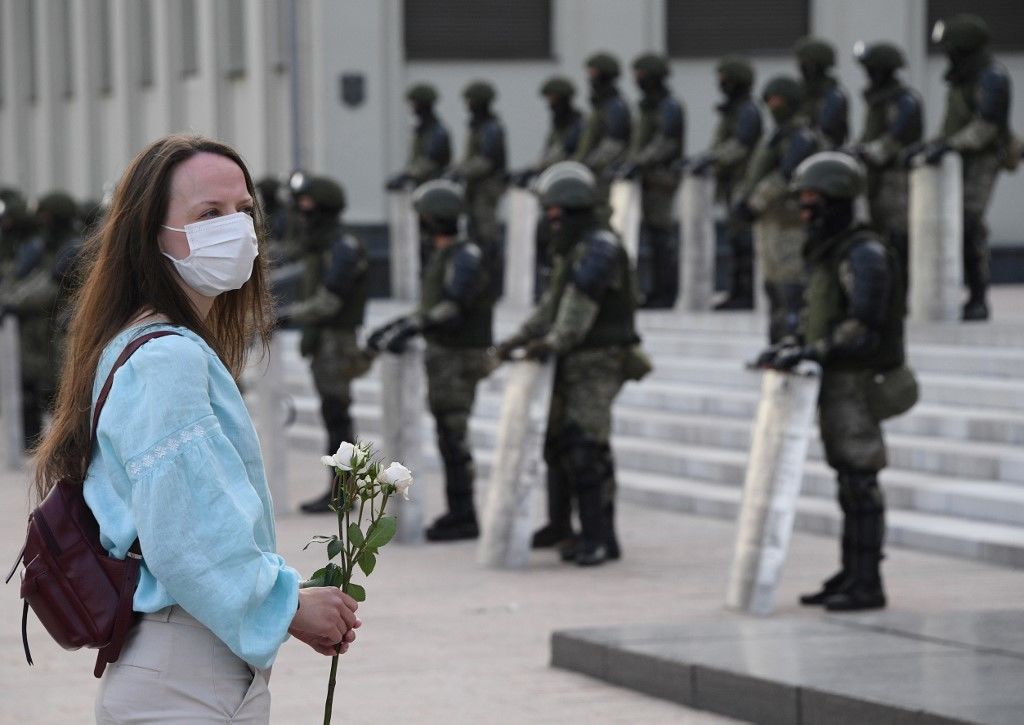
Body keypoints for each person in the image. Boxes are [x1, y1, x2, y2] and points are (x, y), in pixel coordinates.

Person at [30, 135, 360, 722]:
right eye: (209, 214)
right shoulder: (166, 358)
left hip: (188, 667)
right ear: (150, 237)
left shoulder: (147, 342)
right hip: (185, 675)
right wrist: (288, 605)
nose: (234, 228)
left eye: (243, 212)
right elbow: (189, 534)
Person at [757, 152, 909, 612]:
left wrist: (816, 350)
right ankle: (851, 571)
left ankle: (868, 581)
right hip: (836, 380)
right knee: (847, 479)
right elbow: (822, 315)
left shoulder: (864, 253)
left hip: (857, 383)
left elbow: (862, 324)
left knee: (860, 478)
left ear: (836, 201)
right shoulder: (832, 249)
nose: (804, 209)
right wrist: (794, 345)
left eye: (811, 199)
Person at [494, 161, 641, 566]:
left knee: (586, 447)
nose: (551, 219)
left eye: (556, 211)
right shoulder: (573, 247)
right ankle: (562, 526)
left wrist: (551, 342)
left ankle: (599, 536)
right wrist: (520, 337)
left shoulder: (599, 248)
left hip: (598, 361)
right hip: (570, 361)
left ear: (573, 208)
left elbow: (577, 310)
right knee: (556, 444)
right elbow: (551, 306)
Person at [366, 180, 493, 542]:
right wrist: (399, 324)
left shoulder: (465, 256)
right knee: (447, 436)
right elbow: (431, 308)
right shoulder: (446, 255)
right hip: (444, 357)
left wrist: (412, 326)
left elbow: (452, 307)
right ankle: (459, 512)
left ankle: (464, 514)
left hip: (459, 357)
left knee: (454, 438)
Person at [280, 175, 372, 514]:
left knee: (338, 417)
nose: (302, 214)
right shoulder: (322, 245)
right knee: (333, 416)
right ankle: (341, 489)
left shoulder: (343, 247)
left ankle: (343, 491)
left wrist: (287, 316)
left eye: (307, 206)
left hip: (338, 342)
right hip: (325, 343)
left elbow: (330, 301)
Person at [915, 13, 1015, 321]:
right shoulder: (962, 77)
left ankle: (979, 296)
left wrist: (948, 146)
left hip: (983, 159)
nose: (947, 54)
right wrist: (931, 145)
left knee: (970, 224)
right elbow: (952, 125)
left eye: (951, 48)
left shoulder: (991, 77)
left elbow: (986, 127)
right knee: (955, 225)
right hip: (960, 158)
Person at [733, 76, 818, 343]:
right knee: (772, 287)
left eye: (777, 100)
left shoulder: (801, 137)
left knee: (790, 287)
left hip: (789, 223)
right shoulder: (775, 136)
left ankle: (793, 343)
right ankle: (776, 343)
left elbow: (785, 175)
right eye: (768, 100)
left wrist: (753, 202)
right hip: (769, 222)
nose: (771, 106)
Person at [1, 191, 80, 448]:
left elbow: (49, 290)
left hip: (58, 341)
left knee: (61, 400)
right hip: (43, 340)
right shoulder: (46, 247)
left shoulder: (71, 249)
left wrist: (11, 300)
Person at [848, 41, 923, 293]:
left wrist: (867, 152)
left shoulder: (905, 101)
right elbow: (869, 136)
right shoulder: (877, 101)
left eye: (872, 70)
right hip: (875, 178)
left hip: (897, 179)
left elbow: (895, 138)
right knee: (877, 231)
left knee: (898, 235)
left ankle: (901, 291)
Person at [691, 56, 763, 311]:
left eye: (725, 81)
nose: (720, 85)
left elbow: (741, 146)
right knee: (734, 238)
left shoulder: (747, 111)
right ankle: (737, 290)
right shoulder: (733, 111)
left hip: (743, 182)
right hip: (732, 182)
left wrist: (712, 158)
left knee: (742, 239)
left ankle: (744, 293)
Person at [619, 52, 685, 309]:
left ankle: (666, 292)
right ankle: (656, 289)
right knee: (652, 236)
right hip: (647, 180)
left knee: (661, 237)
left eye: (642, 75)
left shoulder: (669, 107)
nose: (637, 80)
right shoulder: (648, 107)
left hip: (662, 181)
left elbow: (666, 143)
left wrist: (639, 162)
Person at [509, 76, 585, 295]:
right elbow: (548, 153)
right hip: (556, 192)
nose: (550, 103)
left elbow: (560, 154)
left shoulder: (577, 126)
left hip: (571, 195)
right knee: (545, 235)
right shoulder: (558, 125)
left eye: (553, 98)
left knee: (564, 238)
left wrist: (533, 169)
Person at [448, 80, 507, 276]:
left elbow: (486, 161)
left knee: (486, 232)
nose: (467, 105)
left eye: (470, 101)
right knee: (474, 230)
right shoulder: (478, 126)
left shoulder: (491, 128)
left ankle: (492, 274)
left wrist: (461, 171)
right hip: (476, 188)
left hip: (487, 189)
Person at [573, 52, 632, 206]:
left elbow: (614, 144)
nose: (589, 78)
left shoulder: (615, 107)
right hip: (594, 177)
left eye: (593, 74)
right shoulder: (601, 106)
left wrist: (586, 165)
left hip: (605, 179)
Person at [385, 83, 452, 190]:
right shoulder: (421, 130)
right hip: (421, 185)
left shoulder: (438, 132)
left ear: (422, 105)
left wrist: (408, 175)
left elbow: (431, 161)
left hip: (434, 186)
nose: (412, 108)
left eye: (414, 104)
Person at [794, 36, 849, 149]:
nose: (800, 68)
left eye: (804, 64)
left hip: (825, 152)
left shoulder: (833, 96)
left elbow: (825, 127)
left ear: (813, 67)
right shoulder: (801, 93)